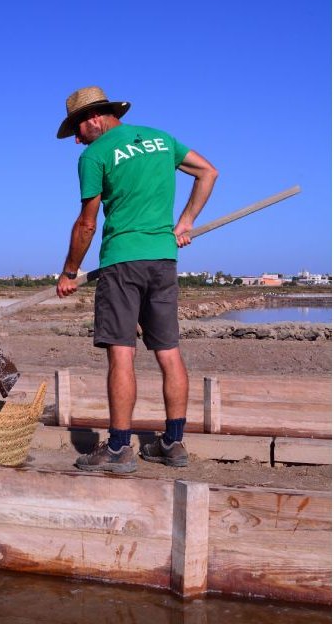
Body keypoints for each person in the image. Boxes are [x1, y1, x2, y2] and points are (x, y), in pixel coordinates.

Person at [55, 86, 218, 473]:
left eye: (77, 130)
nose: (77, 139)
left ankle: (116, 448)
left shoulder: (94, 154)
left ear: (94, 118)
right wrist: (186, 221)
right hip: (163, 259)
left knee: (121, 352)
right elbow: (208, 172)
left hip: (122, 262)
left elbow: (87, 223)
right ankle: (173, 444)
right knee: (168, 351)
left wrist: (69, 271)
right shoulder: (161, 140)